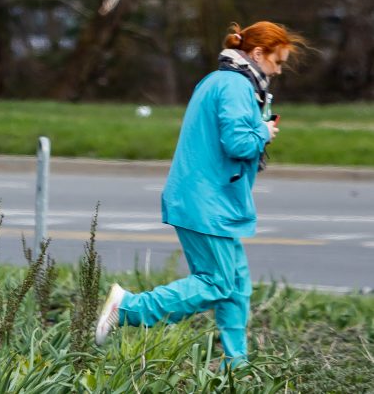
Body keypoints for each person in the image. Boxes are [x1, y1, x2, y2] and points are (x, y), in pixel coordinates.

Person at [94, 21, 305, 366]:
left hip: (208, 199)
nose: (278, 71)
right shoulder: (237, 86)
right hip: (208, 202)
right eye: (277, 62)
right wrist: (263, 133)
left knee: (236, 285)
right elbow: (238, 143)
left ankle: (235, 363)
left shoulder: (220, 80)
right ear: (256, 54)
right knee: (217, 283)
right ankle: (128, 308)